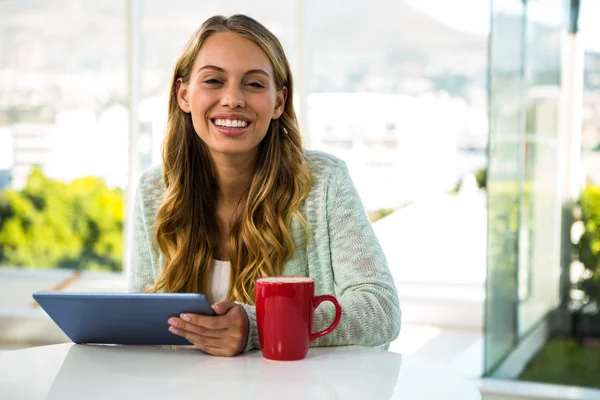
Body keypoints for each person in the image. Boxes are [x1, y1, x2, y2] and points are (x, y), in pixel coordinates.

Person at [128, 14, 401, 357]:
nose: (233, 99)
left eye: (254, 84)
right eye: (213, 80)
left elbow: (381, 310)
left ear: (278, 102)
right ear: (184, 94)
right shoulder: (155, 189)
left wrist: (259, 327)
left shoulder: (324, 181)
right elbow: (140, 323)